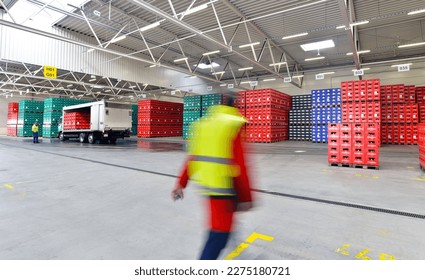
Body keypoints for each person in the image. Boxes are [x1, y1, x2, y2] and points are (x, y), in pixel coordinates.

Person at [172, 94, 254, 260]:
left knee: (220, 230)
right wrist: (246, 197)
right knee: (218, 237)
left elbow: (193, 158)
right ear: (235, 106)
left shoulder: (204, 125)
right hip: (225, 190)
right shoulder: (232, 125)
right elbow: (241, 165)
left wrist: (181, 183)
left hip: (209, 188)